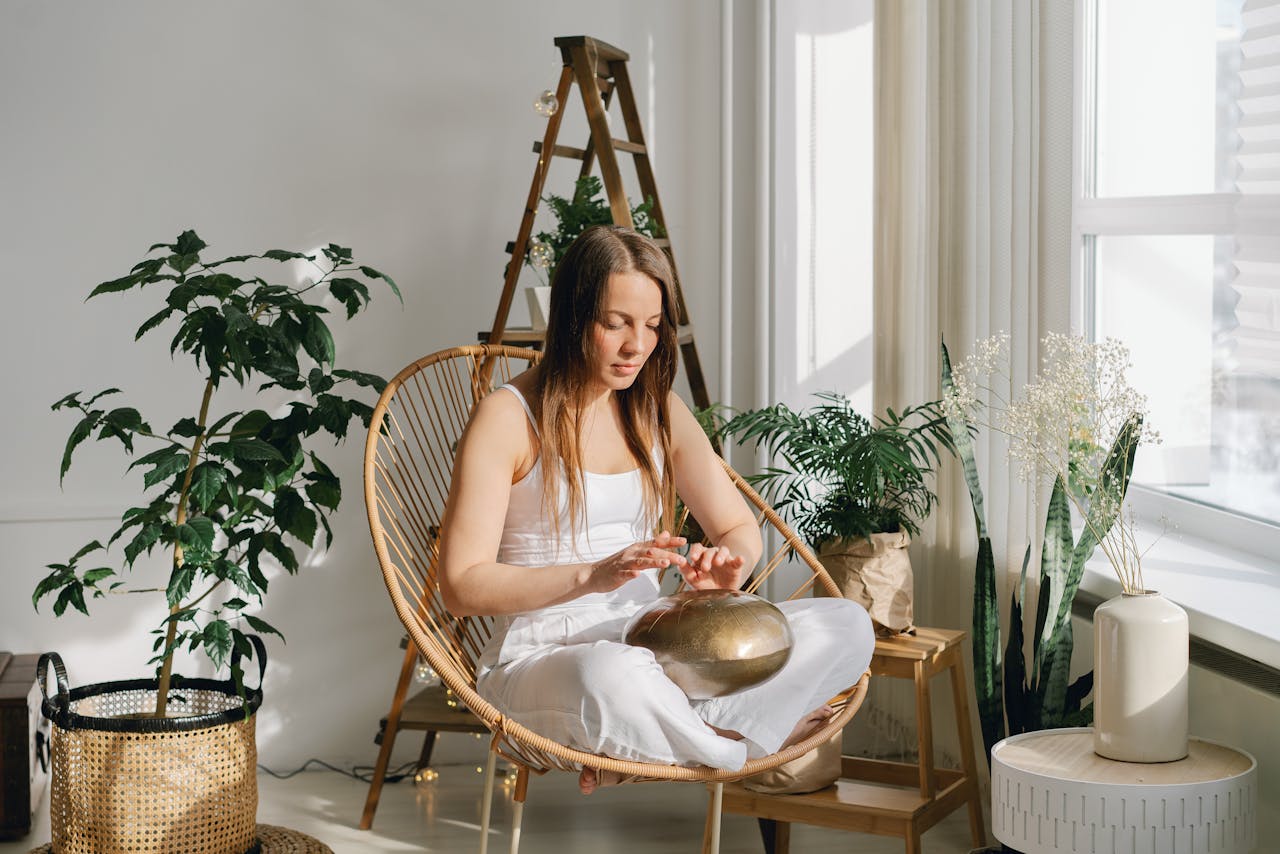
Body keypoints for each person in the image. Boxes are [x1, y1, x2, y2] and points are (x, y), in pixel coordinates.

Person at [439, 225, 874, 795]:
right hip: (548, 661)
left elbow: (740, 528)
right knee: (610, 674)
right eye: (615, 323)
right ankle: (739, 748)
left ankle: (663, 737)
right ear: (573, 316)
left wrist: (725, 574)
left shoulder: (657, 410)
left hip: (657, 646)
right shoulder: (508, 416)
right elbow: (460, 586)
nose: (635, 347)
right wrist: (591, 577)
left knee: (847, 623)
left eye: (650, 326)